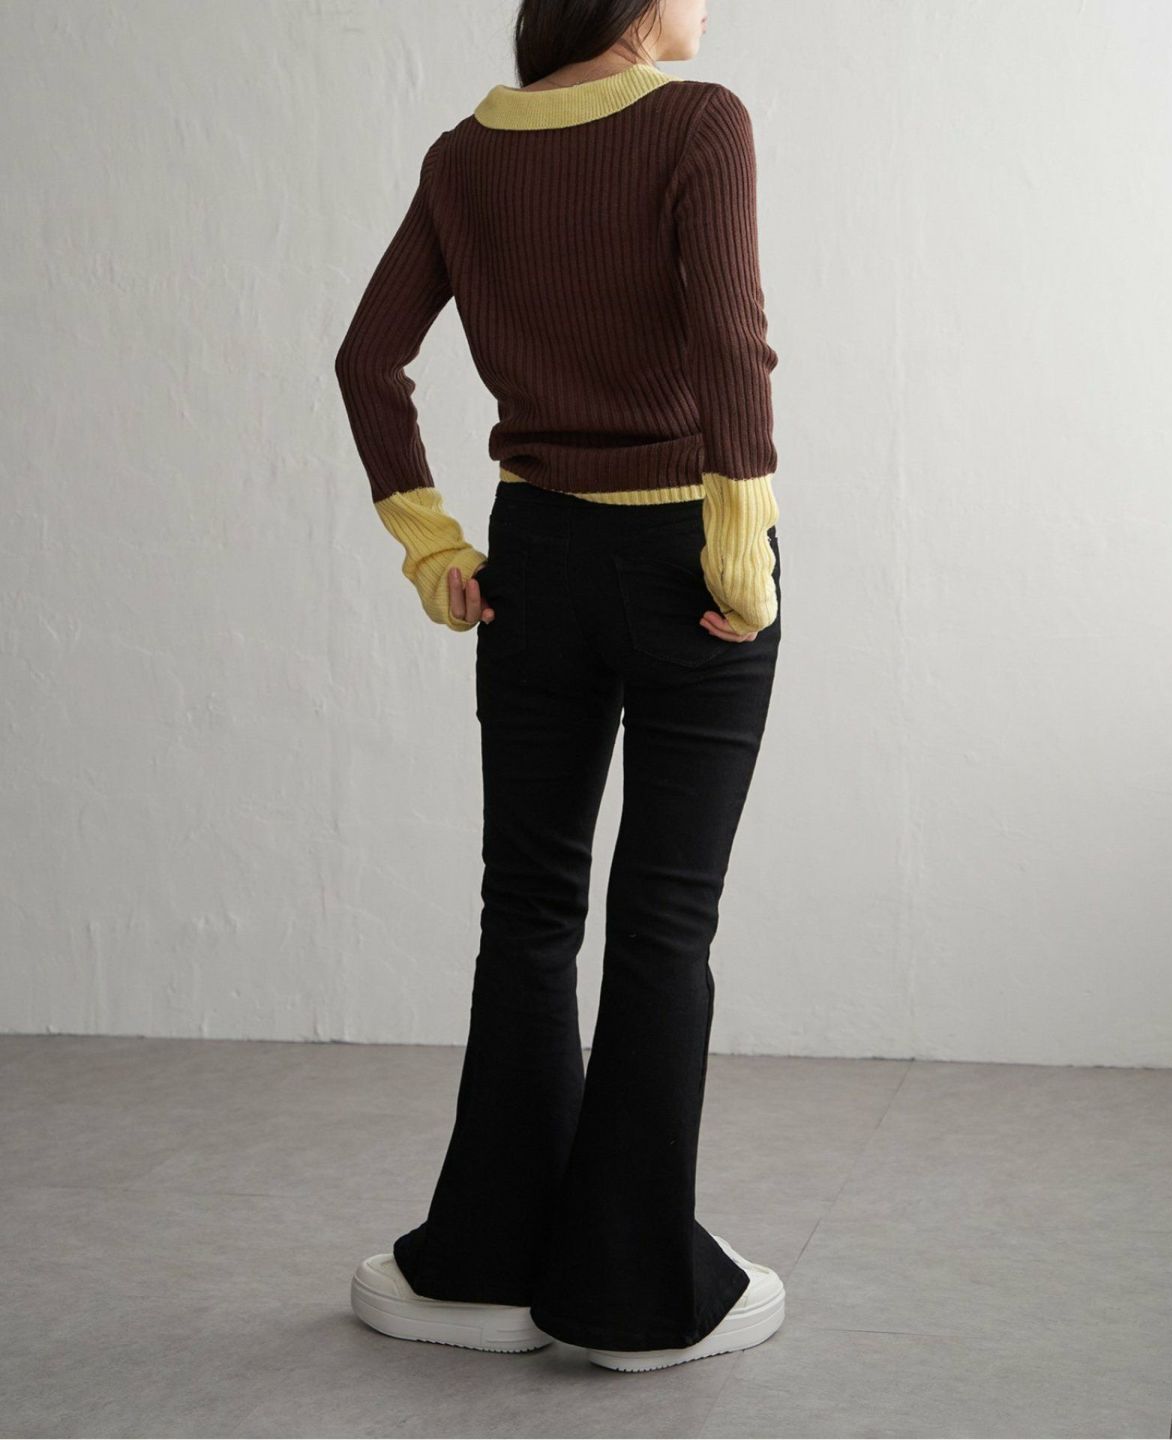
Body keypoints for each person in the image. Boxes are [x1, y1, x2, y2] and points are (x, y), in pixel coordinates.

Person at [334, 0, 785, 1374]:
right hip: (688, 559)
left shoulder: (467, 152)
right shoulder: (700, 123)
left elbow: (366, 360)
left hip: (531, 554)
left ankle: (486, 1265)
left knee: (527, 906)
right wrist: (738, 543)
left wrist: (432, 544)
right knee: (664, 922)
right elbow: (730, 342)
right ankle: (636, 1296)